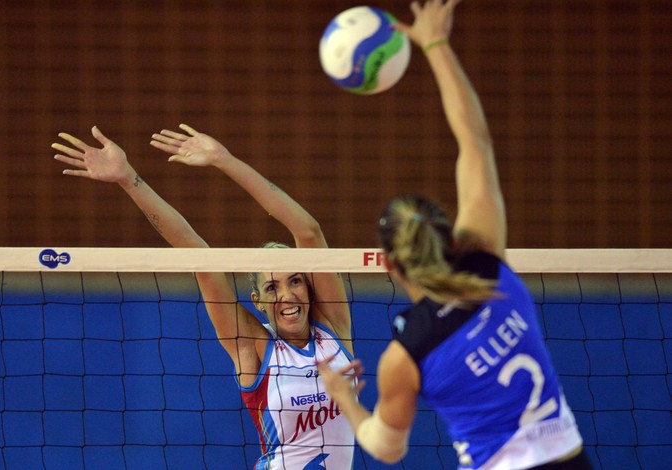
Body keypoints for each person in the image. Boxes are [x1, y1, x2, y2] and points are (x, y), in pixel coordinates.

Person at [318, 1, 592, 469]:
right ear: (450, 239)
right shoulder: (487, 267)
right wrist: (436, 45)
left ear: (388, 264)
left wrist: (343, 396)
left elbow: (387, 448)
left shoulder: (406, 354)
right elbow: (476, 142)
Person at [52, 124, 356, 469]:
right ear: (257, 300)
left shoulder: (333, 329)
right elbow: (197, 254)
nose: (287, 295)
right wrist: (128, 179)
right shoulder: (251, 347)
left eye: (296, 281)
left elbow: (309, 232)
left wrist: (224, 160)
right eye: (272, 287)